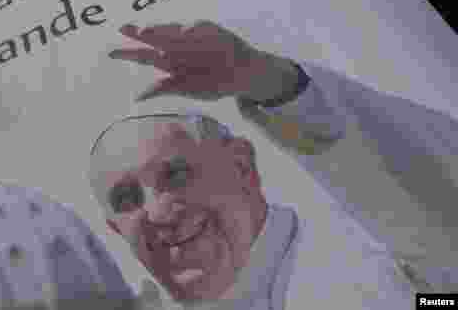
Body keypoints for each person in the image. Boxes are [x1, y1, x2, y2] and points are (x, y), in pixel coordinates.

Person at [88, 20, 458, 309]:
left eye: (177, 174)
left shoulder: (380, 260)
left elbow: (439, 233)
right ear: (114, 228)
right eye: (125, 200)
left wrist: (271, 83)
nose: (158, 212)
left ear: (242, 166)